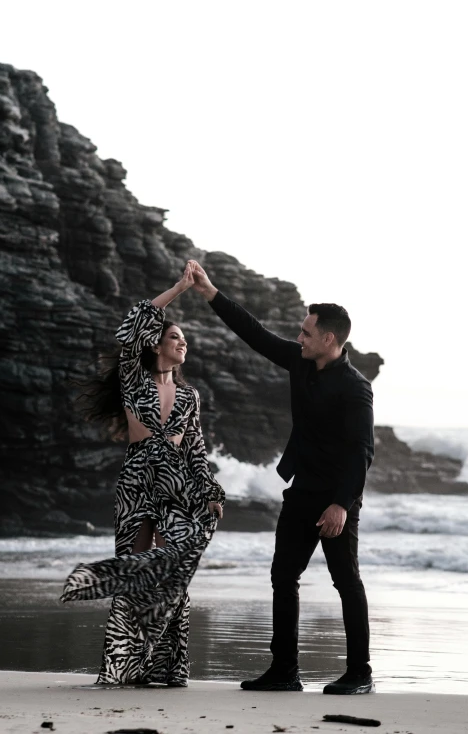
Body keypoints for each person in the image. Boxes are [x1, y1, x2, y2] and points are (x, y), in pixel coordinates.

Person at [189, 260, 374, 695]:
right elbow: (254, 333)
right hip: (302, 490)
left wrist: (341, 506)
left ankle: (360, 673)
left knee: (346, 582)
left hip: (335, 500)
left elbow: (361, 452)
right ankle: (285, 671)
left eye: (306, 332)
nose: (299, 337)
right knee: (282, 577)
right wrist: (210, 292)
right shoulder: (299, 361)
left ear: (329, 338)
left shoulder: (355, 388)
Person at [61, 263, 225, 687]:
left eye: (185, 340)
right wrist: (179, 288)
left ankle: (165, 668)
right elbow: (133, 323)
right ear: (156, 345)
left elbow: (196, 449)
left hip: (177, 484)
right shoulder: (134, 378)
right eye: (175, 337)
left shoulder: (191, 395)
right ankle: (122, 666)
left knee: (171, 573)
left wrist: (209, 491)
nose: (182, 344)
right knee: (133, 568)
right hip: (137, 478)